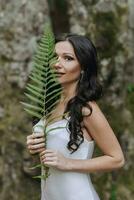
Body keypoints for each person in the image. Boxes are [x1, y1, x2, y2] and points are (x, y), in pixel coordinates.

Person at [26, 34, 125, 200]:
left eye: (68, 58)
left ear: (83, 67)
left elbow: (117, 159)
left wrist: (68, 163)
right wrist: (34, 147)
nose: (57, 64)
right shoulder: (49, 105)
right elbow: (54, 152)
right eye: (54, 57)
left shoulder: (86, 109)